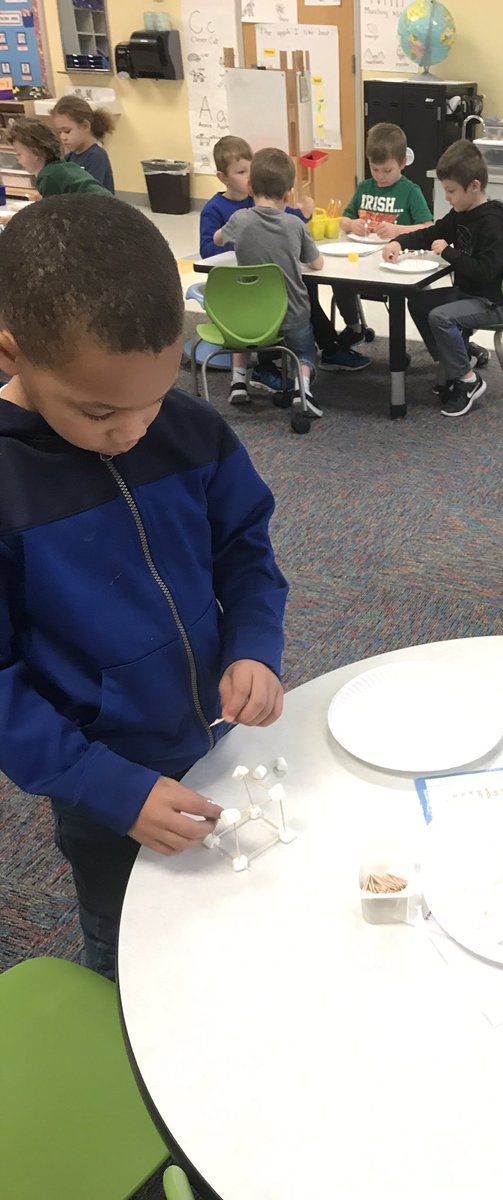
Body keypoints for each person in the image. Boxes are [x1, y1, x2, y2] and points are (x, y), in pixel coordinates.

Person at [0, 194, 288, 980]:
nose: (133, 431)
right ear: (11, 353)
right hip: (102, 781)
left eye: (153, 400)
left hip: (216, 741)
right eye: (99, 411)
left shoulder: (191, 431)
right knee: (128, 944)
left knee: (234, 914)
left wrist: (254, 643)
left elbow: (246, 551)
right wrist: (108, 789)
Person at [200, 135, 369, 376]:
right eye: (241, 172)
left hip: (268, 282)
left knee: (304, 289)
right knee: (299, 293)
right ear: (223, 177)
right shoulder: (217, 209)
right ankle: (305, 355)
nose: (248, 177)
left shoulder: (255, 202)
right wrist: (246, 247)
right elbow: (207, 249)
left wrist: (305, 215)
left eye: (250, 171)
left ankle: (326, 348)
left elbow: (286, 219)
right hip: (242, 286)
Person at [383, 139, 503, 418]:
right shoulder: (461, 213)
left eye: (451, 191)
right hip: (467, 294)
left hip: (489, 302)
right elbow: (432, 233)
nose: (447, 197)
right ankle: (452, 363)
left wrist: (449, 253)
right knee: (418, 302)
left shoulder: (493, 223)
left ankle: (468, 380)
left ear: (474, 186)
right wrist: (398, 242)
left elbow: (485, 271)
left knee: (440, 317)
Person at [215, 147, 324, 413]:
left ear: (250, 187)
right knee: (305, 353)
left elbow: (217, 239)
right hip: (292, 313)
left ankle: (238, 382)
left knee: (239, 337)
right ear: (288, 193)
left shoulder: (239, 219)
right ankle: (302, 388)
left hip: (251, 316)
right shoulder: (295, 225)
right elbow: (317, 263)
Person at [336, 122, 434, 349]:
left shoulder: (410, 191)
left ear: (402, 163)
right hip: (363, 260)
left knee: (420, 299)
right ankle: (354, 327)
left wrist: (397, 231)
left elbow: (428, 228)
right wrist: (352, 224)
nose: (380, 176)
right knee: (339, 281)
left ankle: (438, 344)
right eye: (374, 169)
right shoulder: (364, 188)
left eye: (387, 170)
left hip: (398, 263)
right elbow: (343, 220)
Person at [6, 117, 110, 198]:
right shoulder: (61, 166)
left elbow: (50, 215)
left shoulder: (47, 177)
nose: (18, 160)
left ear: (35, 153)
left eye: (19, 154)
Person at [50, 95, 115, 193]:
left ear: (85, 126)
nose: (63, 137)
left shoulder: (96, 156)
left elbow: (91, 192)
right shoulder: (69, 158)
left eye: (67, 131)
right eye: (59, 132)